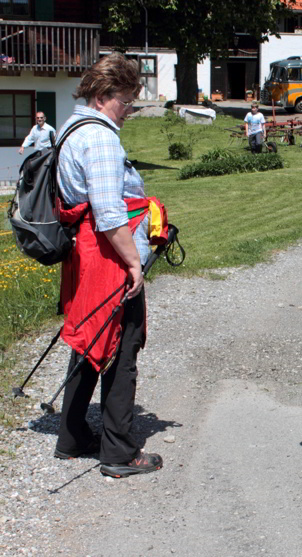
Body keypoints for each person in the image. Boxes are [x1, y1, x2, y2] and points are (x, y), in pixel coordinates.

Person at [53, 53, 163, 478]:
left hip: (85, 253)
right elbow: (109, 212)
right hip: (107, 257)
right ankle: (118, 453)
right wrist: (134, 263)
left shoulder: (70, 127)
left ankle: (72, 435)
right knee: (121, 348)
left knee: (89, 340)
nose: (128, 112)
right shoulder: (99, 137)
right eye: (125, 102)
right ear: (102, 96)